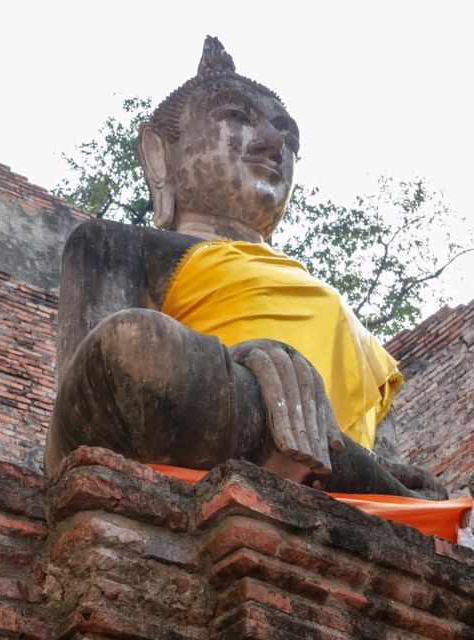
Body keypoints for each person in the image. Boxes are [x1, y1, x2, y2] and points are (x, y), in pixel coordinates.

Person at [45, 36, 444, 499]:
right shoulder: (114, 242)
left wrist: (383, 469)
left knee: (418, 488)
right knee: (133, 346)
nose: (275, 145)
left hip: (309, 453)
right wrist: (241, 363)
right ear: (159, 154)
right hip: (207, 408)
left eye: (288, 136)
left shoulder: (334, 305)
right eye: (236, 118)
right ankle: (323, 456)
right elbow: (88, 393)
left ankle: (330, 461)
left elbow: (380, 446)